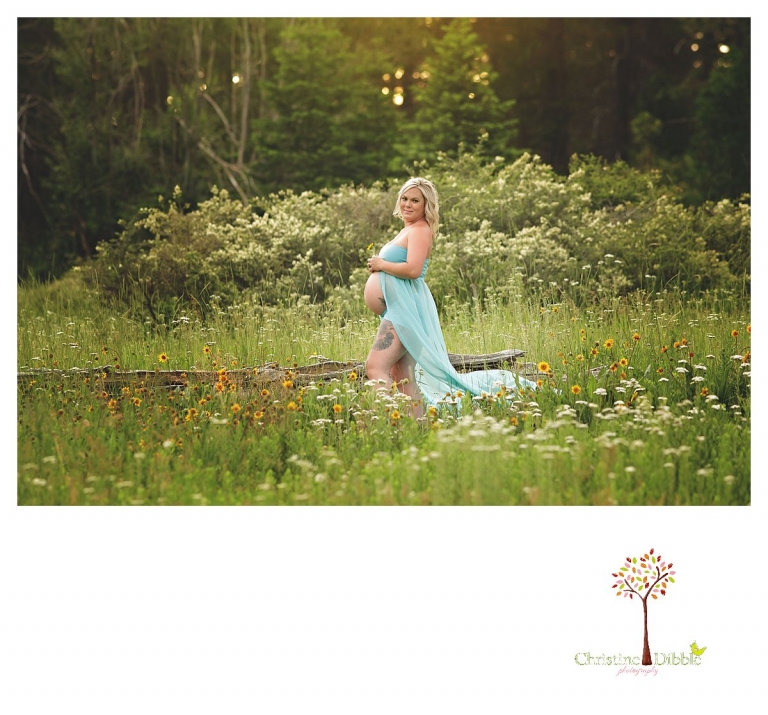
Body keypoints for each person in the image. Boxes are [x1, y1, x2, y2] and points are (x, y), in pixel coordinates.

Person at [364, 177, 537, 417]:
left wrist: (382, 264)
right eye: (404, 198)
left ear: (426, 205)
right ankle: (417, 429)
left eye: (415, 200)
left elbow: (413, 270)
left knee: (375, 367)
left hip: (404, 311)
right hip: (398, 308)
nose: (408, 204)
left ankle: (385, 422)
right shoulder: (409, 229)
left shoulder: (421, 229)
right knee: (403, 377)